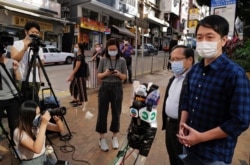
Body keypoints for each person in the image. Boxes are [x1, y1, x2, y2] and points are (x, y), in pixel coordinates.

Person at [177, 15, 250, 164]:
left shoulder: (235, 74)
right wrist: (182, 125)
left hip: (215, 155)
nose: (203, 42)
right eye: (199, 37)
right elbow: (187, 101)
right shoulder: (195, 70)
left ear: (223, 40)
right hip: (189, 147)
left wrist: (201, 137)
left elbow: (240, 121)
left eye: (210, 37)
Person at [161, 45, 194, 165]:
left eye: (178, 59)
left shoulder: (193, 80)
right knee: (173, 157)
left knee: (182, 159)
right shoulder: (174, 78)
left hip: (182, 127)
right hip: (170, 125)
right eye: (172, 59)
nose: (174, 63)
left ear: (190, 60)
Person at [95, 38, 127, 151]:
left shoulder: (122, 61)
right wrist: (105, 73)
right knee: (102, 113)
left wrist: (119, 74)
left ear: (118, 49)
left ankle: (114, 137)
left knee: (116, 112)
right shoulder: (103, 60)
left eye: (114, 49)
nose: (112, 51)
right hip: (105, 87)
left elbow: (125, 77)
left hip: (117, 87)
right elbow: (98, 75)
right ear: (107, 49)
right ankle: (102, 138)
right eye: (110, 49)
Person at [13, 100, 64, 164]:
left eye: (39, 113)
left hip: (44, 157)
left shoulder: (38, 123)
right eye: (36, 114)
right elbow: (37, 149)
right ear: (28, 117)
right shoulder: (18, 132)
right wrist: (44, 124)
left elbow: (59, 129)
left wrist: (58, 120)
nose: (39, 116)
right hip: (31, 162)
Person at [0, 35, 22, 160]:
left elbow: (18, 79)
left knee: (14, 125)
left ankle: (15, 147)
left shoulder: (11, 62)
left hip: (12, 98)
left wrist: (16, 70)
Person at [11, 21, 44, 98]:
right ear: (26, 32)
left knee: (34, 105)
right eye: (33, 32)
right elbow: (14, 59)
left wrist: (34, 64)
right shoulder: (17, 44)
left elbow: (42, 62)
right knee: (22, 104)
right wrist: (25, 48)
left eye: (37, 32)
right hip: (21, 80)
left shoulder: (38, 46)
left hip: (35, 80)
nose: (35, 34)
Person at [67, 43, 88, 111]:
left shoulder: (80, 57)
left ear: (80, 48)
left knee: (81, 89)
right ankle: (75, 99)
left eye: (76, 47)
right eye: (74, 46)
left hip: (80, 76)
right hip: (77, 75)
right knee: (73, 87)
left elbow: (76, 67)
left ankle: (82, 102)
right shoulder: (78, 56)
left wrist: (71, 76)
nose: (75, 48)